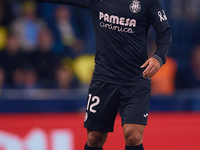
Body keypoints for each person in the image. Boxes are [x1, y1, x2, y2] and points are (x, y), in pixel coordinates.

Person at [37, 0, 172, 150]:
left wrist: (158, 57)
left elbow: (165, 33)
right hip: (104, 79)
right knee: (94, 137)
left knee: (133, 135)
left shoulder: (147, 2)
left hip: (136, 79)